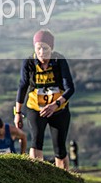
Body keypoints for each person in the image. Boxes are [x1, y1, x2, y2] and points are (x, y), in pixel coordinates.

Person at [14, 29, 75, 170]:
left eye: (45, 48)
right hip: (36, 108)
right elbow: (22, 87)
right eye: (38, 48)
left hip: (58, 109)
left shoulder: (59, 61)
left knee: (60, 148)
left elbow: (70, 88)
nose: (41, 52)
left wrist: (56, 104)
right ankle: (36, 175)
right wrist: (17, 113)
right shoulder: (29, 63)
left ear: (51, 48)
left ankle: (64, 177)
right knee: (36, 141)